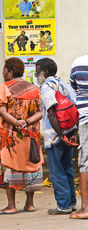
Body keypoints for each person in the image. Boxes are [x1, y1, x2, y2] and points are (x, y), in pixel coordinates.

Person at [0, 57, 43, 215]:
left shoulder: (4, 88)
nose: (3, 73)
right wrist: (26, 122)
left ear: (10, 72)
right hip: (30, 137)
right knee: (30, 165)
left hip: (11, 138)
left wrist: (16, 123)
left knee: (10, 165)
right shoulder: (33, 88)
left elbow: (2, 111)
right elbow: (40, 112)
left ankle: (11, 206)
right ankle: (30, 204)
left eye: (4, 70)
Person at [35, 57, 77, 215]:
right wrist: (72, 133)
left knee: (56, 171)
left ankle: (63, 205)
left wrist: (59, 135)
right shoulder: (64, 83)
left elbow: (51, 112)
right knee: (67, 168)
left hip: (54, 134)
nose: (36, 74)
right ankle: (72, 203)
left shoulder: (46, 86)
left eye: (38, 71)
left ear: (45, 72)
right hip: (68, 131)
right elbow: (74, 109)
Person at [70, 54, 88, 219]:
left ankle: (85, 208)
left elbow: (75, 90)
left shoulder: (78, 63)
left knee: (85, 163)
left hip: (85, 117)